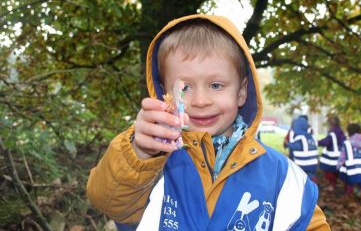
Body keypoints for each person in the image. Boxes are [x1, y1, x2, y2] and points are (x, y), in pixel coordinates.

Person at [86, 14, 330, 230]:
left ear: (241, 92)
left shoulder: (283, 177)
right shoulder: (149, 164)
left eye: (216, 85)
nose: (200, 101)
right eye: (185, 87)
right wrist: (140, 152)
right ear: (165, 95)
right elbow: (107, 201)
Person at [338, 123, 361, 201]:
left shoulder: (347, 143)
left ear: (349, 132)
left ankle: (349, 196)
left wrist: (339, 164)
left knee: (350, 181)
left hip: (352, 167)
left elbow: (343, 156)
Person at [286, 116, 319, 183]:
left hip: (302, 165)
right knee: (311, 177)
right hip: (313, 164)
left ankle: (303, 189)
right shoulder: (312, 138)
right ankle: (313, 185)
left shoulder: (300, 138)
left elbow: (295, 146)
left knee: (301, 178)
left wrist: (287, 144)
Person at [318, 115, 346, 191]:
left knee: (329, 172)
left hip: (332, 156)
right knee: (338, 171)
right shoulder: (341, 132)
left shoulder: (332, 133)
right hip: (341, 154)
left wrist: (318, 142)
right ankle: (339, 185)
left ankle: (332, 186)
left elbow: (326, 142)